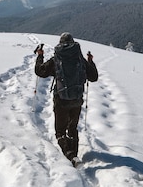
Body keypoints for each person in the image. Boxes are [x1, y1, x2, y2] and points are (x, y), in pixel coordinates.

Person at [35, 32, 98, 165]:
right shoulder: (80, 59)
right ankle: (74, 155)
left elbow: (40, 71)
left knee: (60, 131)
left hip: (61, 100)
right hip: (76, 99)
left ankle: (70, 156)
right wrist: (90, 61)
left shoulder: (56, 59)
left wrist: (40, 57)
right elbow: (93, 77)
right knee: (73, 128)